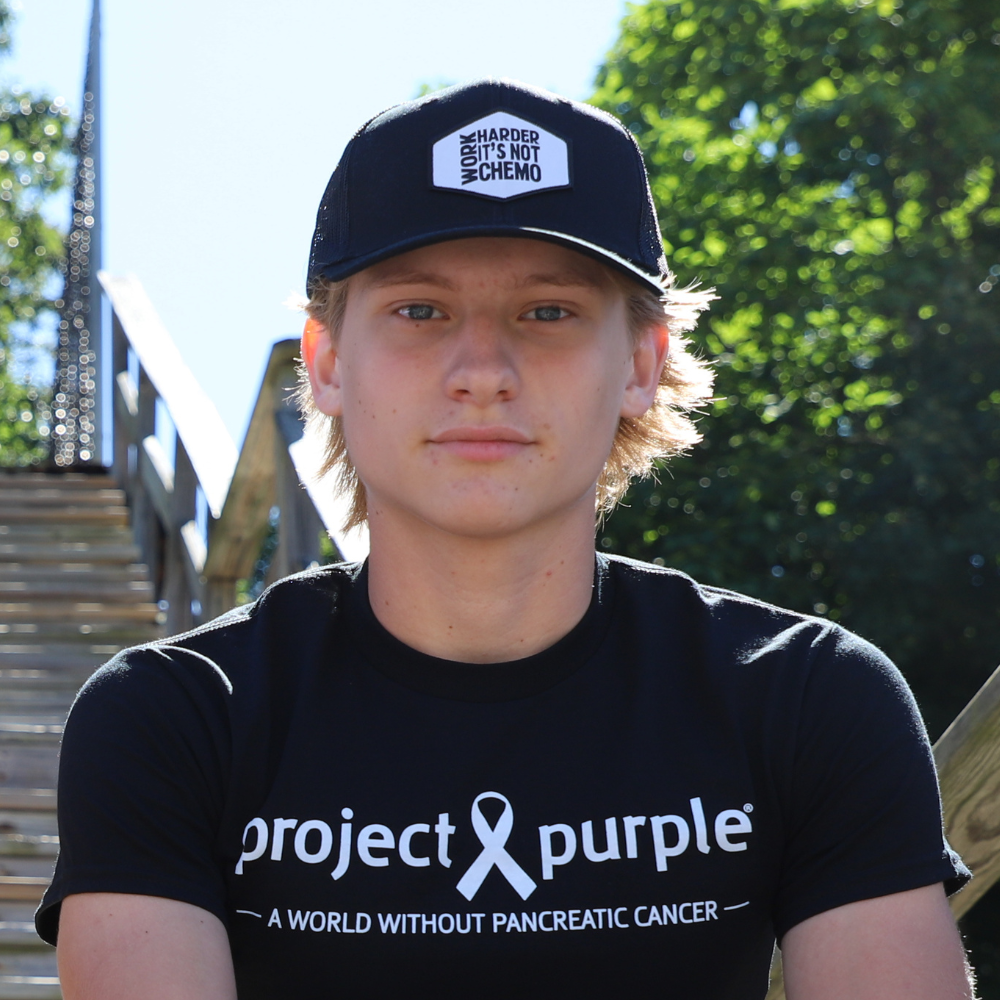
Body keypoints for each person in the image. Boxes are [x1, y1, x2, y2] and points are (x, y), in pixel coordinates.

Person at [38, 79, 973, 999]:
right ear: (324, 363)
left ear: (642, 364)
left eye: (548, 312)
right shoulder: (173, 722)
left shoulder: (809, 698)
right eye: (420, 311)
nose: (482, 372)